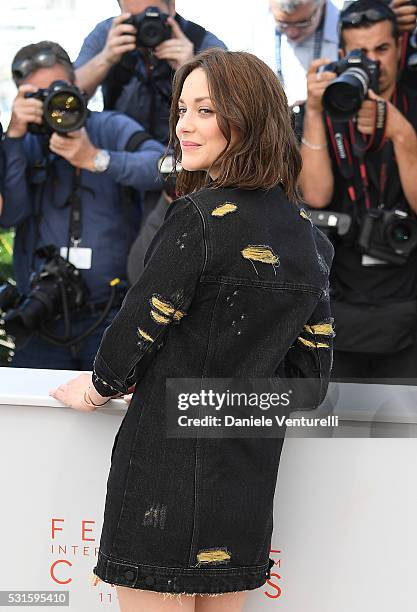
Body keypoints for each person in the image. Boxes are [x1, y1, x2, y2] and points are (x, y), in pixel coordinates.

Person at [50, 48, 334, 611]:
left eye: (206, 110)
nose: (184, 124)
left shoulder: (199, 219)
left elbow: (136, 328)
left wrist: (98, 386)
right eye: (183, 108)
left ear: (250, 117)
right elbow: (309, 381)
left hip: (163, 474)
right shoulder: (307, 236)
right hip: (244, 479)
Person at [1, 41, 164, 370]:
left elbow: (165, 167)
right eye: (37, 96)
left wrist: (97, 159)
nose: (52, 104)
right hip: (41, 315)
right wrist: (15, 135)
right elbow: (10, 213)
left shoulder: (109, 127)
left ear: (77, 86)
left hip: (111, 314)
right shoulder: (24, 141)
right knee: (37, 415)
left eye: (59, 90)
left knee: (111, 417)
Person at [299, 0, 417, 379]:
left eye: (382, 49)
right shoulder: (325, 108)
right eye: (359, 53)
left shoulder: (412, 104)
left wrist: (400, 133)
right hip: (342, 304)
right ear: (339, 57)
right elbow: (315, 196)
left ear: (400, 48)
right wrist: (316, 113)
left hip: (406, 302)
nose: (372, 63)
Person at [74, 0, 226, 144]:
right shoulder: (107, 34)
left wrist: (190, 68)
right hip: (124, 149)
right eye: (135, 19)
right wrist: (105, 58)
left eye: (152, 15)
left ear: (172, 7)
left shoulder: (201, 42)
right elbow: (69, 95)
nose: (145, 26)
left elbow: (231, 106)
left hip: (186, 148)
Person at [253, 0, 339, 106]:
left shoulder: (349, 28)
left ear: (322, 4)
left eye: (303, 23)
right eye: (282, 23)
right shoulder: (247, 20)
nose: (292, 33)